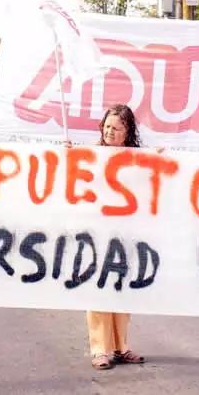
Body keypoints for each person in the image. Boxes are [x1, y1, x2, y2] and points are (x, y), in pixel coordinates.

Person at [80, 104, 146, 370]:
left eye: (115, 128)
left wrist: (165, 159)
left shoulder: (139, 158)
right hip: (97, 233)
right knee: (98, 289)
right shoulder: (92, 155)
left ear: (127, 131)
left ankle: (121, 346)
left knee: (121, 290)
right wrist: (67, 154)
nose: (109, 131)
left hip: (126, 233)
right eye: (106, 126)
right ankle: (100, 350)